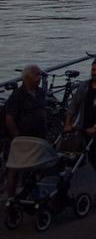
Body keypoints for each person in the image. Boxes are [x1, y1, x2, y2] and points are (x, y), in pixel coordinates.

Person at [4, 64, 47, 199]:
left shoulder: (40, 92)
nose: (39, 78)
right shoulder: (17, 96)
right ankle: (11, 198)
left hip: (38, 137)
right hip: (21, 139)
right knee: (14, 169)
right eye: (36, 75)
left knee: (37, 167)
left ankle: (34, 195)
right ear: (27, 78)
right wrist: (17, 136)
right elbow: (9, 118)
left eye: (39, 75)